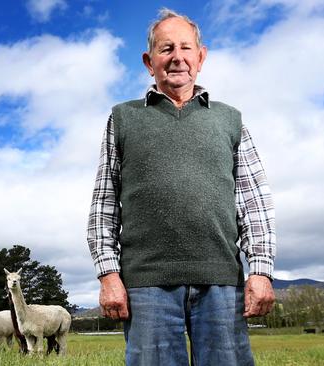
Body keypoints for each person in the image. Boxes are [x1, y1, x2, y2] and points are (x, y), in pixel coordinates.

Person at [87, 8, 276, 366]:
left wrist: (261, 270)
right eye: (166, 48)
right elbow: (104, 202)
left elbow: (255, 202)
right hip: (146, 286)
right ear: (149, 60)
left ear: (201, 57)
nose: (177, 58)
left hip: (222, 282)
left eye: (186, 48)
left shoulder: (229, 119)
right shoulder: (123, 118)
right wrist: (109, 274)